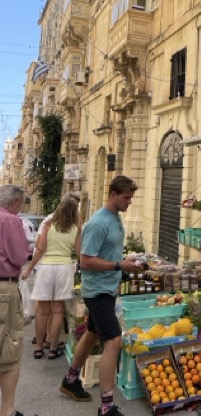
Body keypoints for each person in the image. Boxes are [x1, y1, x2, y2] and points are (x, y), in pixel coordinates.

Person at [59, 175, 143, 416]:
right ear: (113, 194)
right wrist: (119, 266)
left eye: (131, 198)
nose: (129, 202)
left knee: (92, 334)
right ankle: (106, 406)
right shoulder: (98, 222)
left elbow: (109, 252)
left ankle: (70, 379)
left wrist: (124, 263)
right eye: (126, 197)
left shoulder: (115, 218)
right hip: (97, 291)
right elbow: (85, 261)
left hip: (107, 287)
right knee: (114, 340)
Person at [22, 193, 81, 359]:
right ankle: (53, 347)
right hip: (64, 268)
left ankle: (39, 347)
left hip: (46, 268)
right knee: (57, 311)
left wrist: (28, 268)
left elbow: (40, 249)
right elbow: (79, 252)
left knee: (42, 311)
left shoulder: (48, 225)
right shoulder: (76, 228)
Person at [0, 184, 33, 416]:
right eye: (21, 204)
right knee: (10, 348)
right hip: (4, 289)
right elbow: (19, 255)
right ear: (14, 202)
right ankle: (8, 410)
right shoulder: (10, 221)